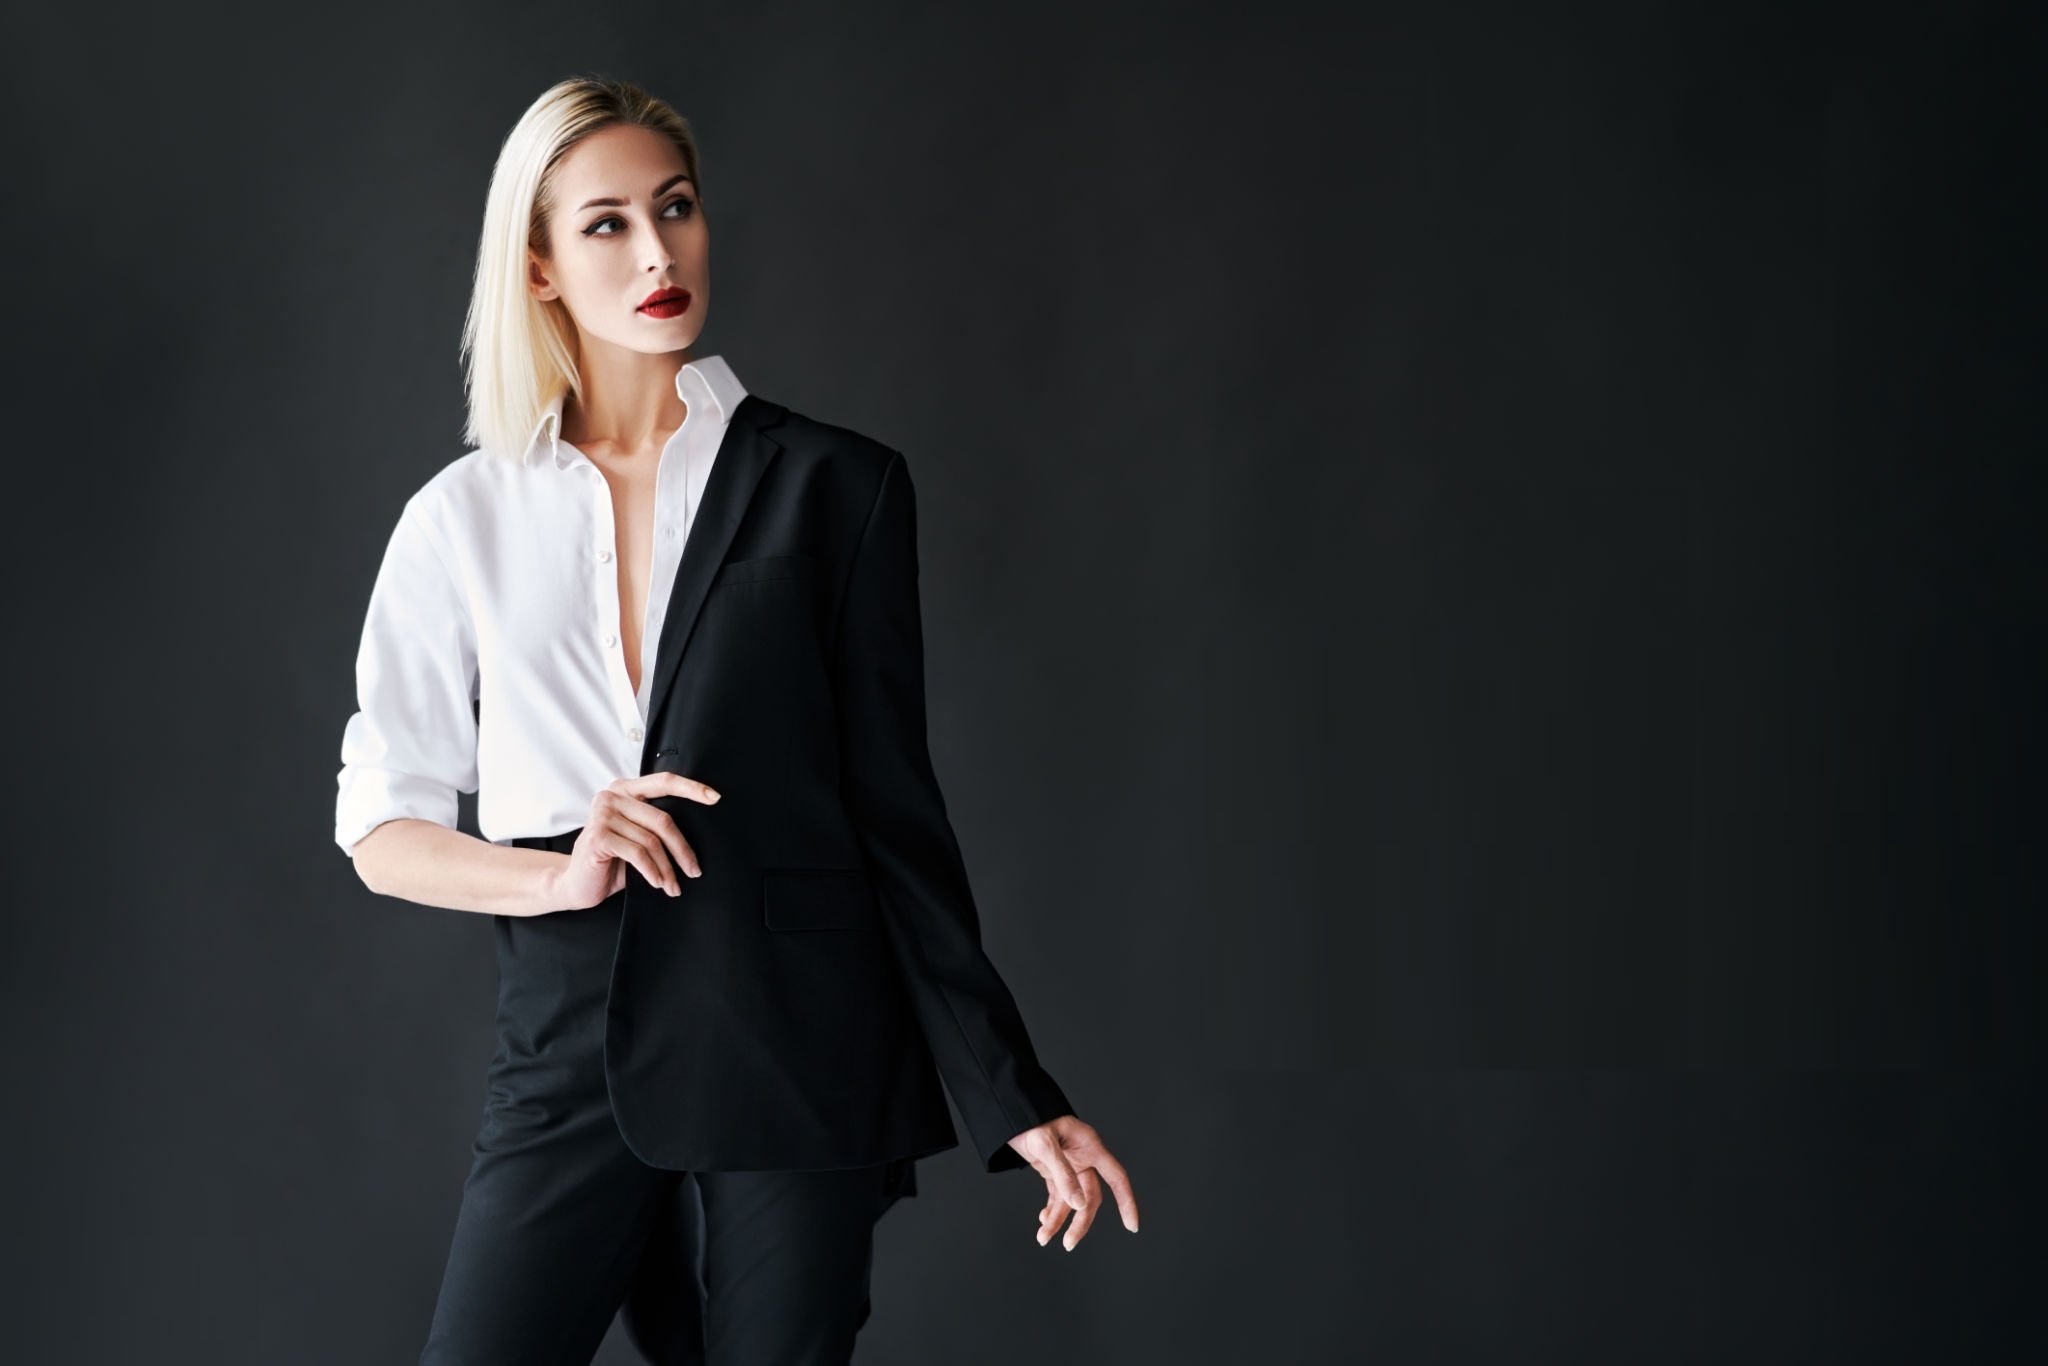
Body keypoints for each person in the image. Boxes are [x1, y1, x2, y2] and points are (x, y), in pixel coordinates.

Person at [333, 74, 1138, 1366]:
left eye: (678, 207)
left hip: (792, 1033)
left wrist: (1015, 1099)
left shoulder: (838, 486)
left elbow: (895, 816)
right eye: (606, 224)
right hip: (568, 1039)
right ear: (536, 267)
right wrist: (556, 877)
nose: (659, 252)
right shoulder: (460, 517)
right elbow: (380, 822)